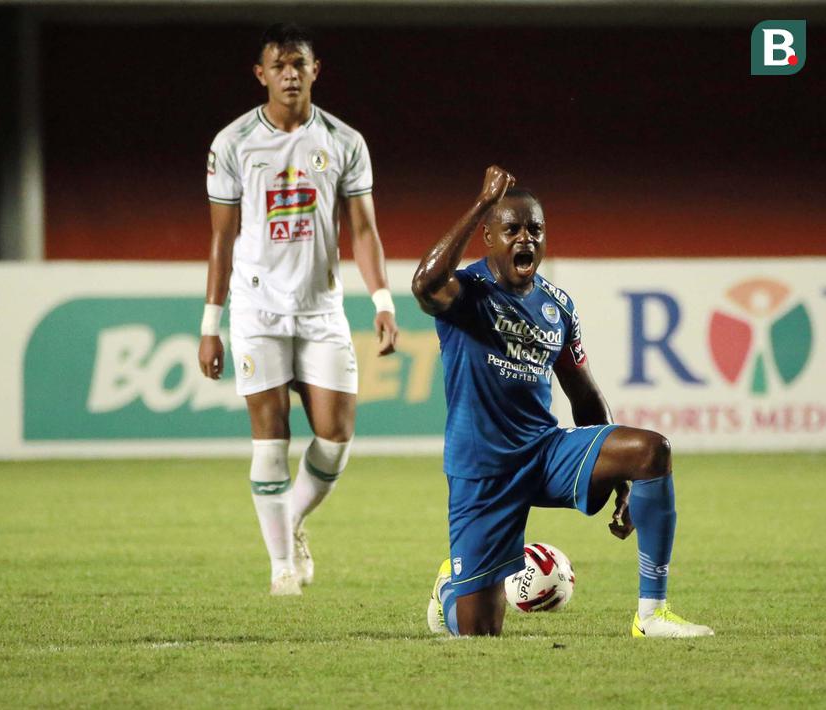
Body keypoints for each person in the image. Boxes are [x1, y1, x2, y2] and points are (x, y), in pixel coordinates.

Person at [412, 165, 714, 637]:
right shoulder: (466, 293)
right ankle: (450, 590)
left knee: (651, 450)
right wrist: (480, 202)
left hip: (544, 452)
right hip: (483, 470)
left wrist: (623, 482)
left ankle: (651, 615)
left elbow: (586, 396)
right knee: (478, 634)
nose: (524, 239)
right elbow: (423, 285)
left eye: (534, 229)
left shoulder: (558, 307)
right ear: (487, 236)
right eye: (511, 229)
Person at [199, 24, 400, 596]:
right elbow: (221, 239)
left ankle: (288, 522)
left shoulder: (344, 141)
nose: (290, 73)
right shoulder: (233, 142)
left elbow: (363, 228)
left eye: (299, 64)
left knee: (335, 439)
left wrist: (382, 300)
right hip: (257, 310)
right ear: (260, 75)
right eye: (279, 65)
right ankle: (282, 565)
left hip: (321, 310)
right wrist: (210, 325)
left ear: (316, 71)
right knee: (271, 436)